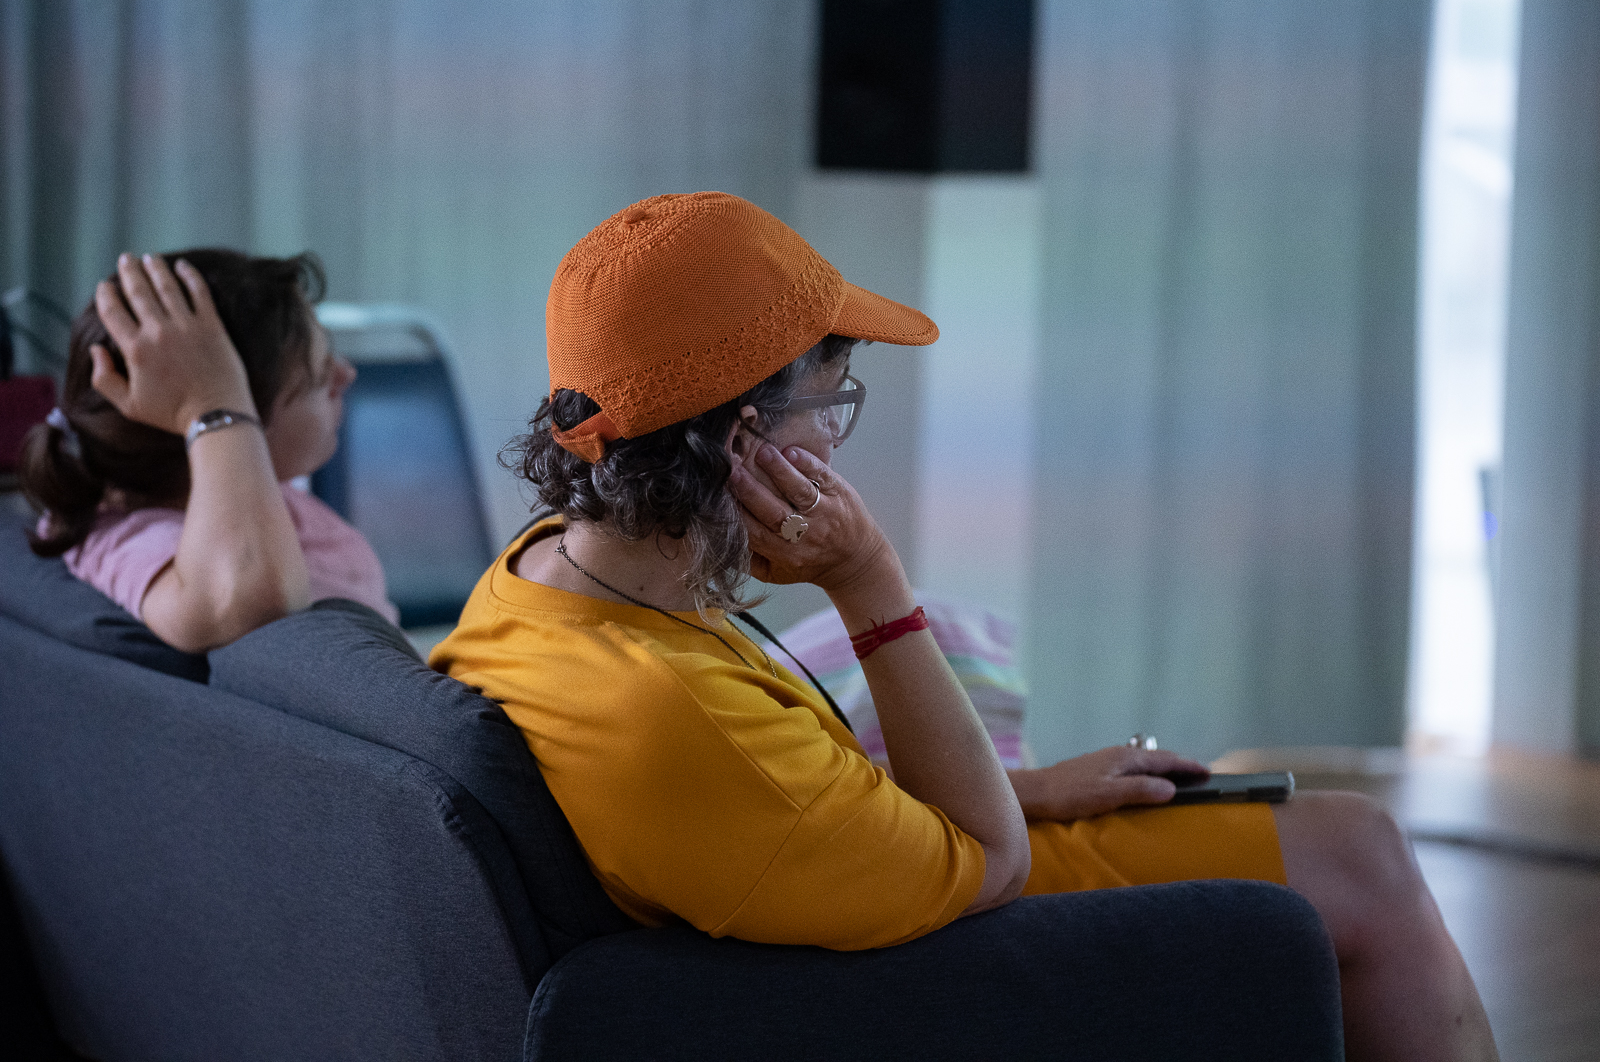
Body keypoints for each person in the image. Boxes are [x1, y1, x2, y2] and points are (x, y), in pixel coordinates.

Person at [431, 192, 1497, 1061]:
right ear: (743, 440)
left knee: (1358, 839)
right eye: (830, 402)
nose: (836, 441)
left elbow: (794, 797)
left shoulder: (539, 576)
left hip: (893, 874)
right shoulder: (672, 717)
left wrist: (1031, 787)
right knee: (1362, 860)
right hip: (941, 955)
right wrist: (868, 580)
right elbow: (988, 860)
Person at [20, 250, 396, 652]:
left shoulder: (273, 496)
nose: (347, 374)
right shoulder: (123, 536)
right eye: (320, 376)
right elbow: (243, 606)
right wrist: (214, 405)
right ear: (241, 426)